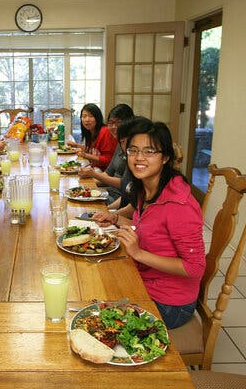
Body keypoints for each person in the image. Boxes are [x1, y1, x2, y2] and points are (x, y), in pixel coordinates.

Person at [93, 118, 205, 329]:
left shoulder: (179, 205)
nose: (139, 158)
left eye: (149, 151)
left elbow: (195, 268)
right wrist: (116, 218)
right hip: (144, 280)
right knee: (91, 284)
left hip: (170, 303)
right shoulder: (148, 188)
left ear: (165, 158)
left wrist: (138, 253)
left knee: (96, 324)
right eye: (133, 150)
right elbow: (148, 229)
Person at [78, 104, 134, 204]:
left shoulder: (132, 150)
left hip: (117, 200)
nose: (114, 127)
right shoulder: (120, 143)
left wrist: (94, 174)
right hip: (108, 193)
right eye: (111, 123)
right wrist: (87, 184)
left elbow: (124, 184)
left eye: (119, 123)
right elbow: (108, 172)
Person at [66, 103, 117, 169]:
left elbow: (108, 160)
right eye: (84, 116)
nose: (87, 120)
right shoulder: (90, 131)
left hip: (106, 172)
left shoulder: (105, 131)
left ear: (97, 118)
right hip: (95, 168)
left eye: (91, 116)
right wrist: (76, 145)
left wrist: (85, 155)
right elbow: (93, 151)